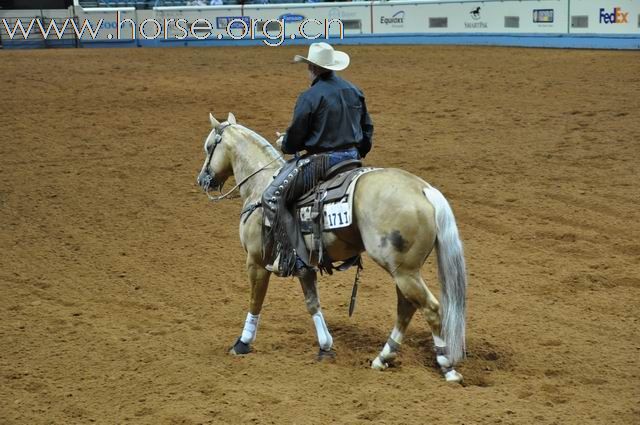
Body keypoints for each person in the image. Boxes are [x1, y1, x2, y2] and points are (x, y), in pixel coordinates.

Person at [262, 42, 374, 277]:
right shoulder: (355, 90)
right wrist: (357, 153)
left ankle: (293, 257)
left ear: (311, 66)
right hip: (352, 160)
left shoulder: (310, 97)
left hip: (322, 162)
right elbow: (367, 129)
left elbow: (296, 137)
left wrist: (285, 143)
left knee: (273, 196)